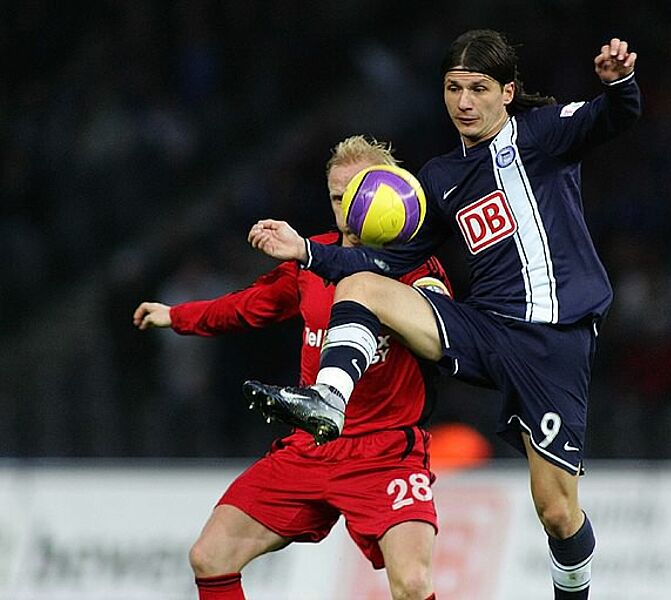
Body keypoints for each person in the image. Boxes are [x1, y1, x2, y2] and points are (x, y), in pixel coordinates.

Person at [245, 30, 641, 599]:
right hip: (486, 328)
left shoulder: (544, 133)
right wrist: (307, 251)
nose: (464, 102)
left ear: (507, 92)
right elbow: (391, 259)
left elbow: (616, 116)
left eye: (478, 89)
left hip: (553, 345)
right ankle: (329, 399)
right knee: (363, 284)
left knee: (556, 511)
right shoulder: (439, 178)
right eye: (454, 88)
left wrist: (620, 82)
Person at [133, 135, 451, 600]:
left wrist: (431, 306)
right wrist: (177, 316)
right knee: (210, 556)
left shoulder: (416, 266)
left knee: (414, 583)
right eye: (338, 198)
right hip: (312, 445)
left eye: (358, 193)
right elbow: (248, 305)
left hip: (385, 452)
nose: (349, 209)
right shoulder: (311, 257)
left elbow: (445, 337)